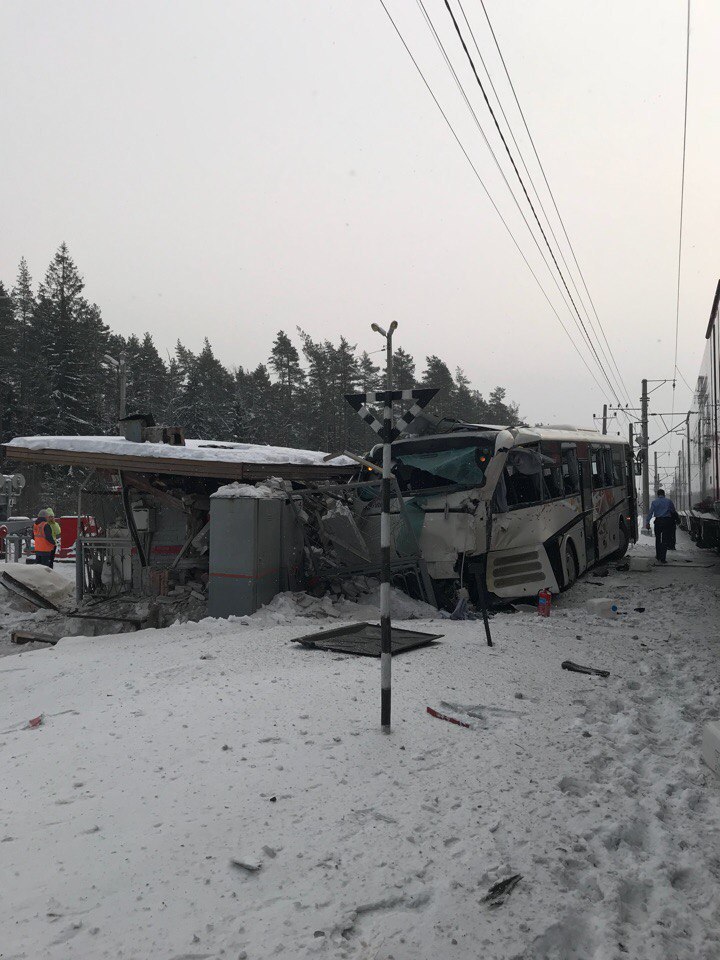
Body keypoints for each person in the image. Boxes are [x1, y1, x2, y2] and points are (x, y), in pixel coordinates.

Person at [645, 489, 676, 564]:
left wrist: (647, 522)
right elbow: (673, 511)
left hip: (658, 522)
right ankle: (663, 558)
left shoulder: (654, 502)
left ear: (657, 494)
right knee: (665, 539)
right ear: (664, 494)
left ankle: (658, 556)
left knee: (658, 539)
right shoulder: (669, 501)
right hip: (666, 522)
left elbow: (650, 513)